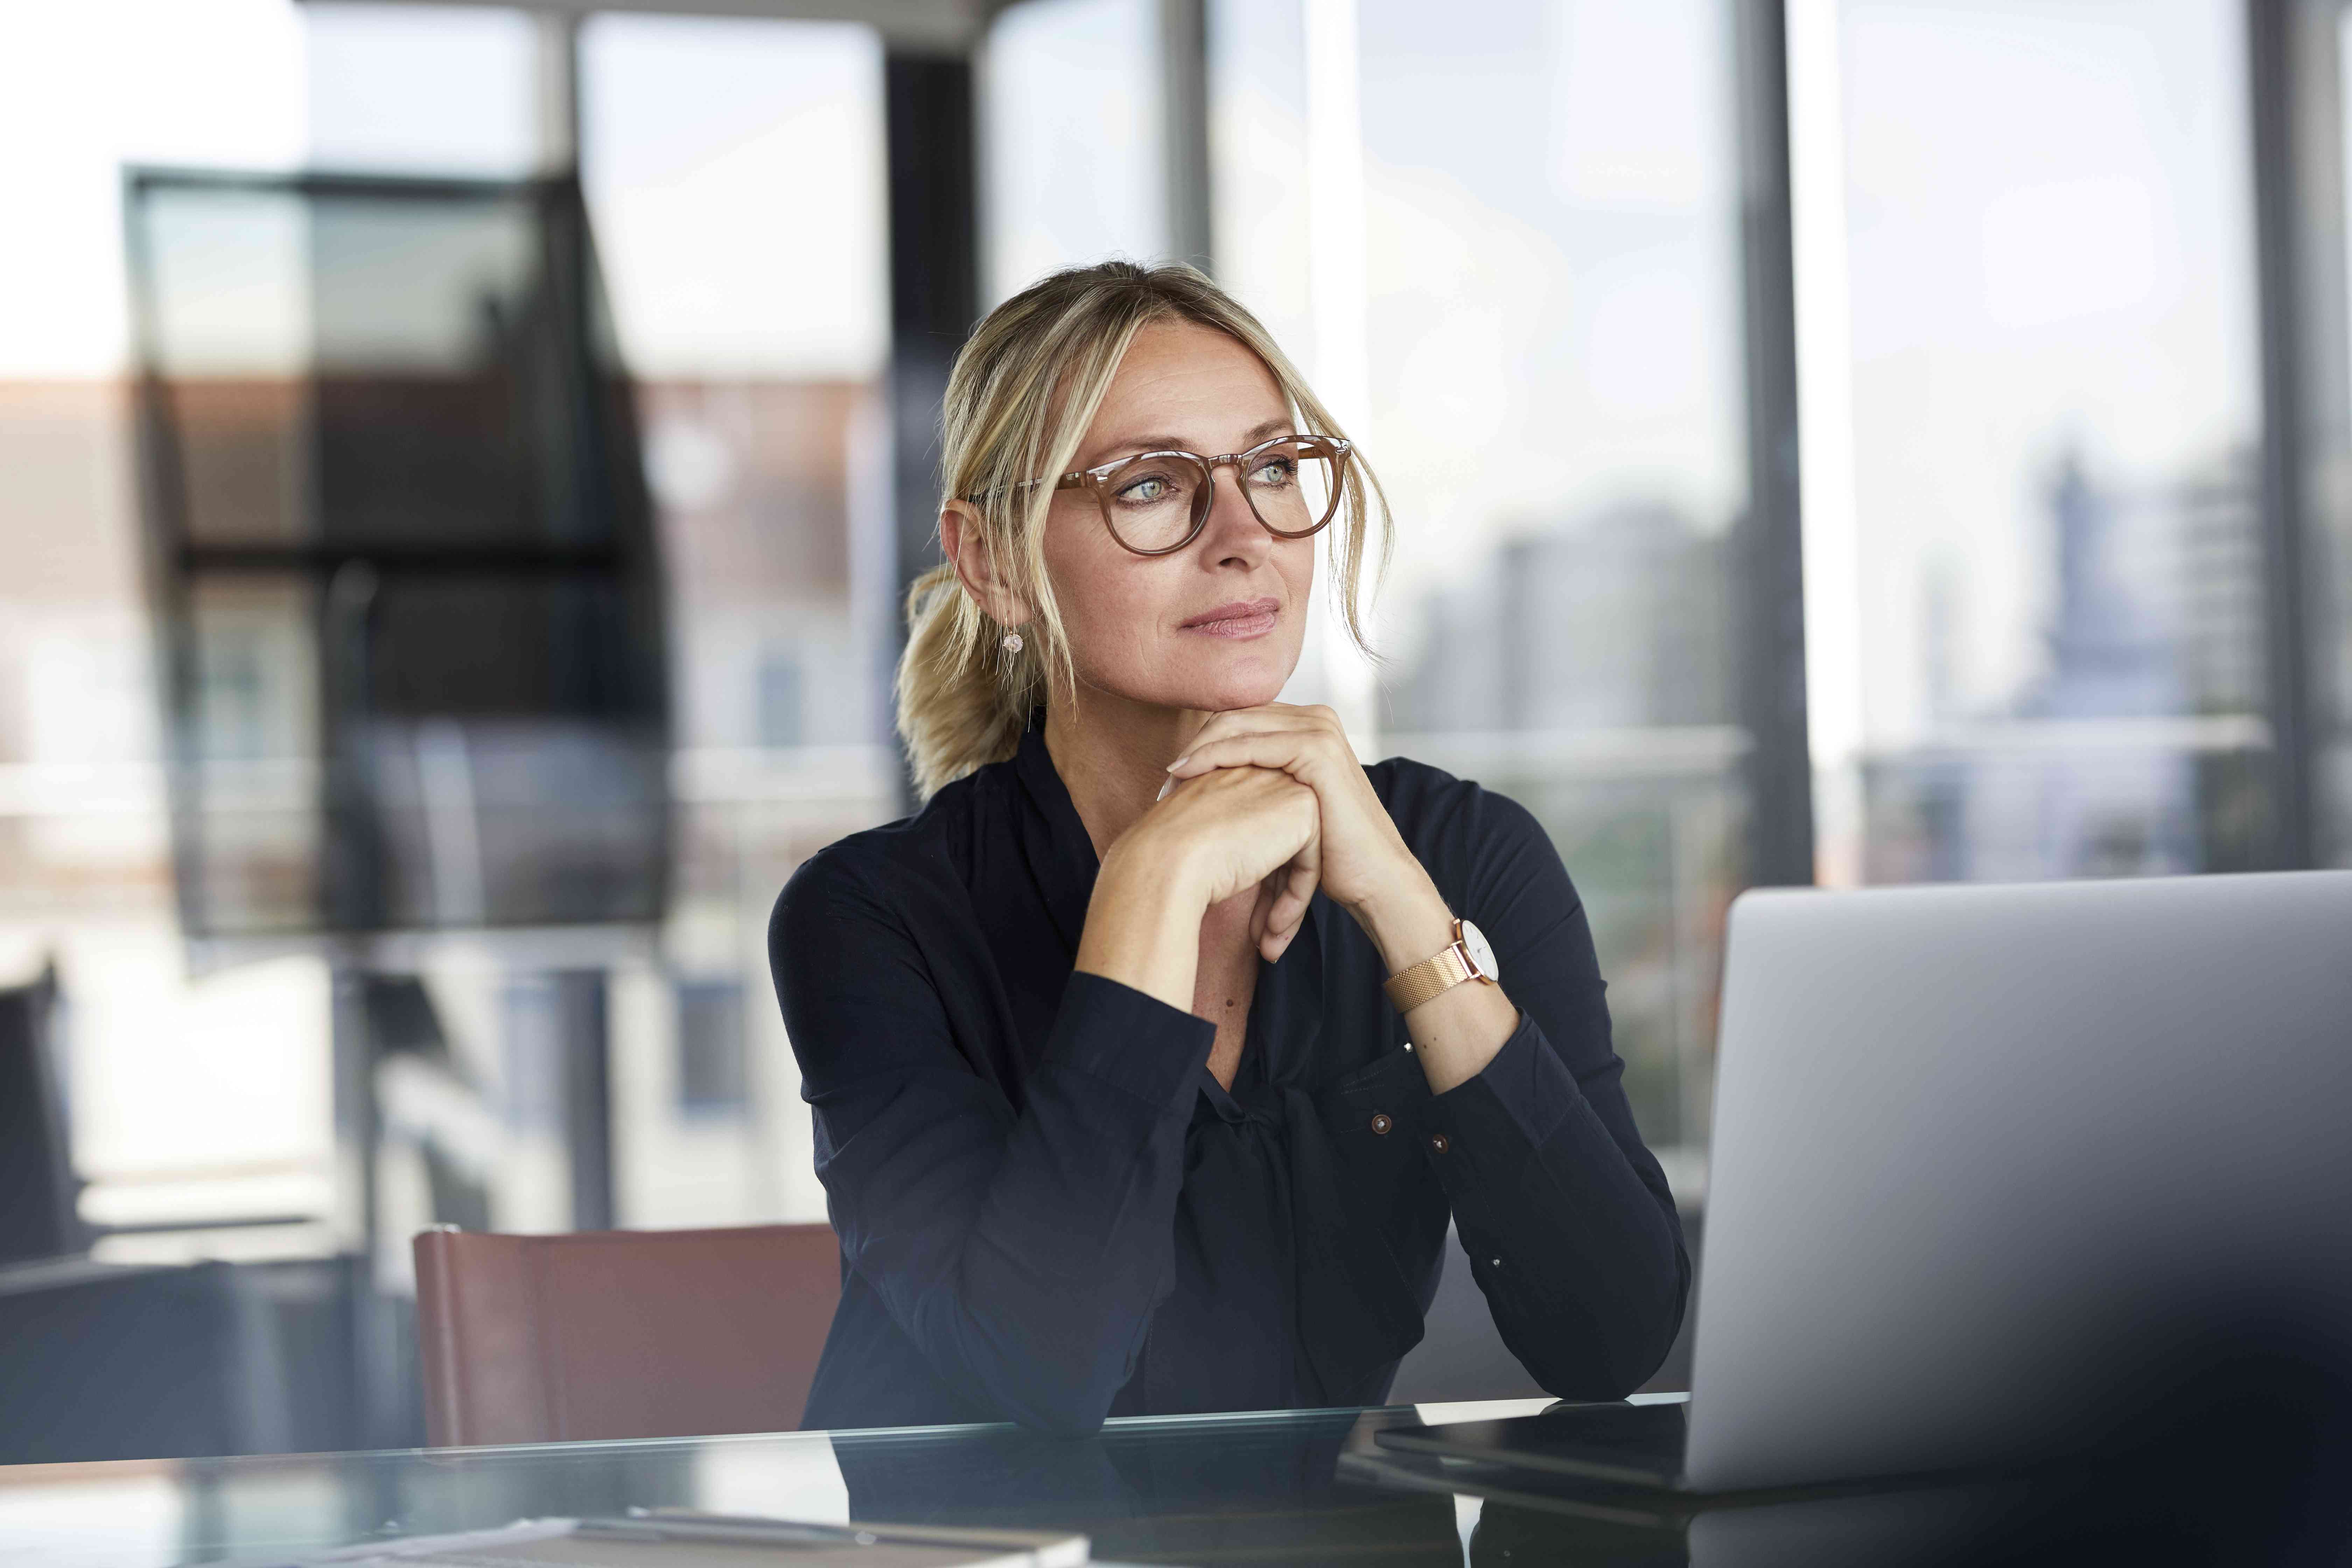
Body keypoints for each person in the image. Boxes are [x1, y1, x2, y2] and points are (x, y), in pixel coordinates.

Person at [770, 261, 1688, 1436]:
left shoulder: (1462, 855)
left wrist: (1406, 914)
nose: (1247, 534)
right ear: (994, 562)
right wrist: (1154, 881)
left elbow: (1612, 1337)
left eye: (1271, 468)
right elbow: (1037, 1378)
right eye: (1151, 484)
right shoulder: (871, 915)